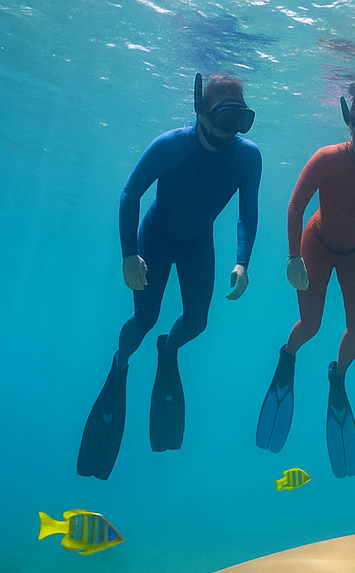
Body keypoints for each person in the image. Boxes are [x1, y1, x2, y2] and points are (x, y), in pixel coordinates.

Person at [78, 73, 261, 480]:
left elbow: (248, 210)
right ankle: (122, 363)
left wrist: (242, 260)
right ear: (200, 112)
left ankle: (169, 349)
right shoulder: (171, 145)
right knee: (144, 319)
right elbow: (130, 193)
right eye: (224, 119)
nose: (230, 133)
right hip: (156, 238)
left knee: (196, 322)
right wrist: (129, 254)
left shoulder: (247, 157)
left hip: (198, 243)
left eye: (240, 122)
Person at [255, 85, 355, 478]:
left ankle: (337, 375)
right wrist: (292, 256)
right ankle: (287, 356)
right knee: (311, 325)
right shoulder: (326, 158)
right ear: (349, 122)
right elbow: (295, 205)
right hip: (317, 245)